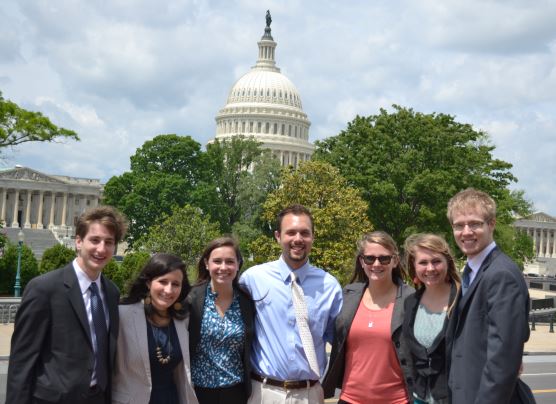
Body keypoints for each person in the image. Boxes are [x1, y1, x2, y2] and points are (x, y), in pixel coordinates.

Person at [6, 206, 127, 404]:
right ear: (78, 242)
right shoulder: (44, 289)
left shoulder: (112, 292)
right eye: (95, 240)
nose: (101, 249)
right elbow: (22, 360)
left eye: (109, 242)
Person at [239, 204, 342, 404]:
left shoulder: (330, 287)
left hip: (309, 394)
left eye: (305, 233)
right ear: (278, 236)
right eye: (291, 232)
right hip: (264, 393)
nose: (298, 239)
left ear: (313, 237)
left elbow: (341, 343)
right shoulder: (253, 280)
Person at [446, 188, 530, 403]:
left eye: (474, 224)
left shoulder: (501, 275)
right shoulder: (472, 271)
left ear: (491, 224)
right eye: (458, 225)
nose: (466, 232)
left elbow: (502, 360)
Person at [322, 231, 414, 404]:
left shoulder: (411, 300)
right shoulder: (348, 295)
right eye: (370, 258)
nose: (376, 264)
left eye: (384, 258)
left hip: (397, 400)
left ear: (394, 261)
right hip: (350, 399)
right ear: (362, 261)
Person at [112, 253, 198, 404]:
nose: (169, 290)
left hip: (171, 399)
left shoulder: (182, 319)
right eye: (162, 282)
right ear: (148, 283)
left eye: (175, 284)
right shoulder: (122, 316)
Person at [188, 237, 255, 404]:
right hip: (197, 393)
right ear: (206, 263)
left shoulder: (247, 302)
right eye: (217, 261)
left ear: (238, 264)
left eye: (230, 261)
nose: (223, 267)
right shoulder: (190, 299)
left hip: (237, 393)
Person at [402, 233, 460, 404]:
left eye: (436, 261)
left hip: (454, 396)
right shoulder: (411, 302)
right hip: (420, 396)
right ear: (414, 266)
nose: (430, 268)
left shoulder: (463, 299)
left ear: (447, 263)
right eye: (423, 262)